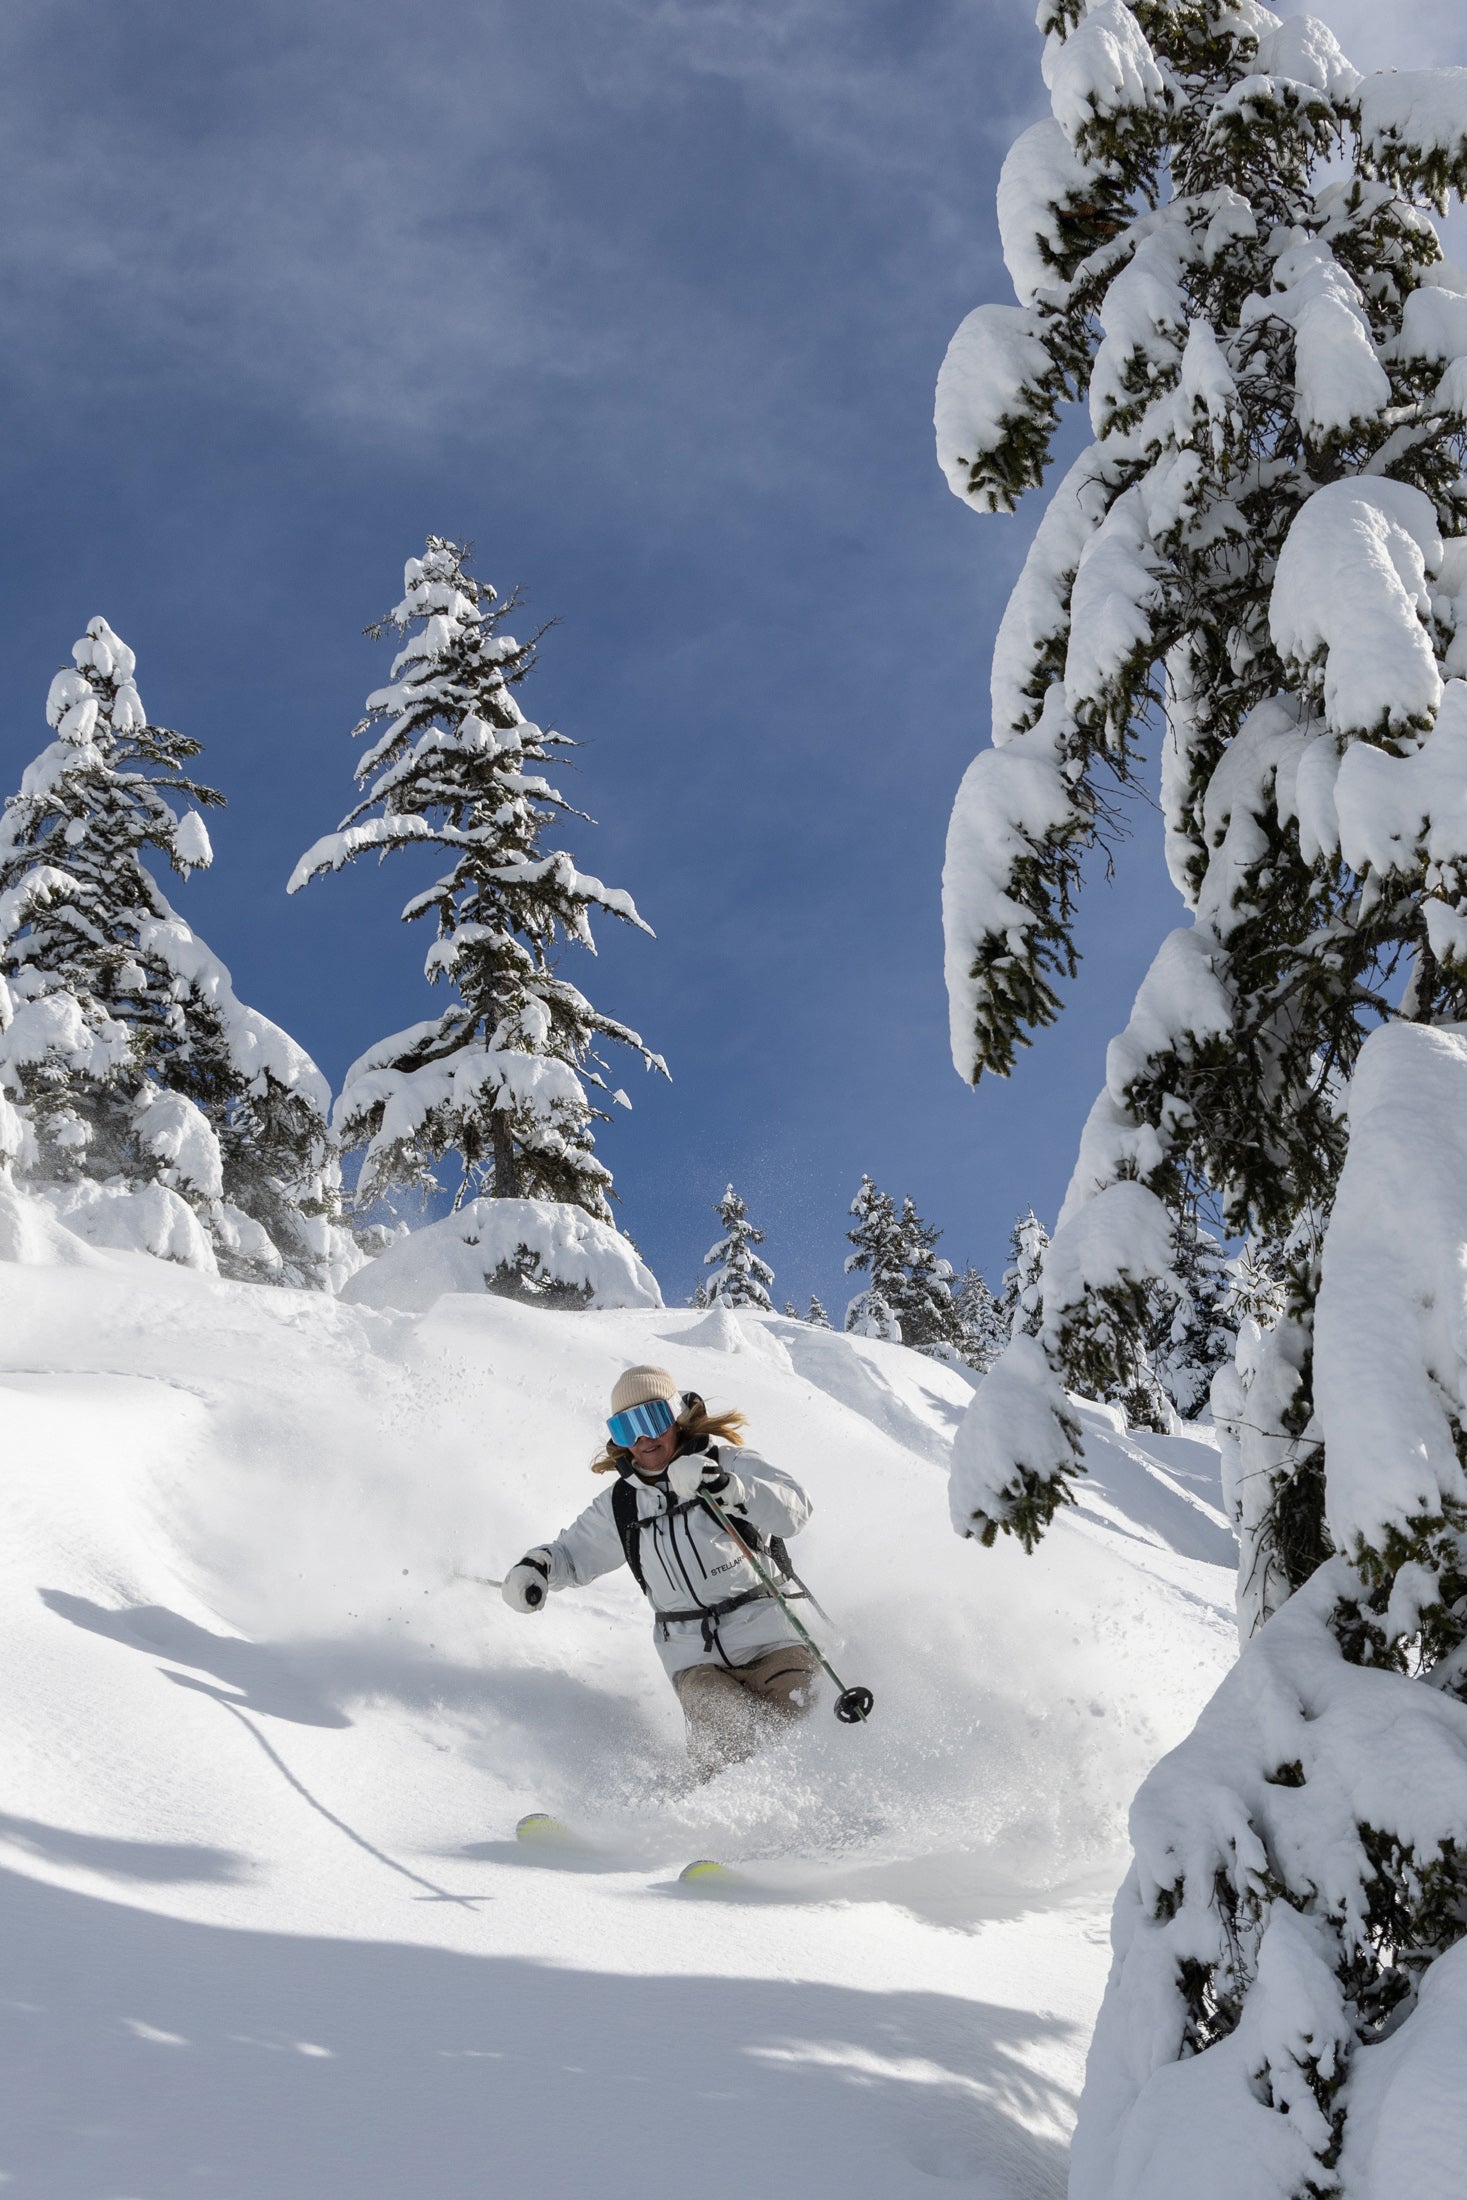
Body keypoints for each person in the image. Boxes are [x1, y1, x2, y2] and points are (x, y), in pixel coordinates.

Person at [502, 1364, 819, 1777]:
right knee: (727, 1736)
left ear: (676, 1416)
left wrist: (730, 1489)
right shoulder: (622, 1504)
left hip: (772, 1640)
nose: (642, 1438)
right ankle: (724, 1810)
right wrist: (538, 1568)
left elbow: (795, 1509)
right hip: (696, 1661)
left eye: (652, 1419)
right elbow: (572, 1555)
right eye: (625, 1428)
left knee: (801, 1717)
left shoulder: (727, 1463)